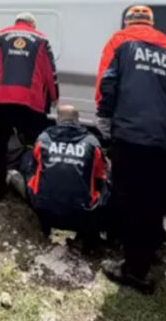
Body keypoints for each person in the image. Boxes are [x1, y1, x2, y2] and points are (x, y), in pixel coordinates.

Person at [95, 5, 166, 294]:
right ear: (152, 24)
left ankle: (133, 270)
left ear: (128, 23)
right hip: (158, 140)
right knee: (151, 199)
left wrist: (104, 119)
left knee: (129, 199)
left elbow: (107, 82)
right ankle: (148, 252)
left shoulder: (120, 44)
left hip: (127, 135)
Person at [0, 12, 59, 199]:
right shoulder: (41, 38)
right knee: (35, 144)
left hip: (3, 99)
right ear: (32, 24)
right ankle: (35, 186)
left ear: (16, 21)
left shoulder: (0, 36)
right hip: (31, 101)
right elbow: (50, 71)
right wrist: (54, 94)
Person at [9, 105, 109, 247]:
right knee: (105, 182)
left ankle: (12, 177)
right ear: (78, 121)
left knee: (28, 162)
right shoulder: (91, 142)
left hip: (44, 207)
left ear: (57, 120)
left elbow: (34, 165)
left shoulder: (44, 138)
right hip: (81, 211)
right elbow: (101, 174)